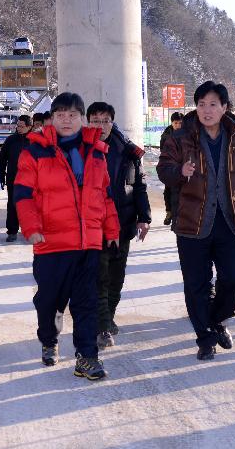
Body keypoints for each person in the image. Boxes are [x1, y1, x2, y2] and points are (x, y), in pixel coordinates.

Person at [14, 92, 119, 380]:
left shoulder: (96, 151)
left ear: (82, 118)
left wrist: (111, 230)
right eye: (60, 114)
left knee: (86, 302)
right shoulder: (35, 150)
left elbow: (105, 195)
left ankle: (86, 358)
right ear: (52, 118)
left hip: (88, 243)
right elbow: (23, 194)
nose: (66, 120)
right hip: (51, 243)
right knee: (48, 301)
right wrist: (32, 228)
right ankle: (49, 339)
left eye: (72, 114)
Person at [157, 81, 235, 360]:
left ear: (225, 108)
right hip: (191, 225)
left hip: (229, 223)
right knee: (196, 284)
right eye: (202, 104)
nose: (207, 110)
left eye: (213, 104)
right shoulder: (180, 138)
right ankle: (205, 337)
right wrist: (180, 170)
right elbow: (163, 170)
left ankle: (217, 320)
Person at [87, 102, 151, 349]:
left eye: (105, 120)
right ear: (88, 121)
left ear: (112, 122)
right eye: (95, 119)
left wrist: (144, 217)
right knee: (99, 278)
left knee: (117, 278)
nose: (100, 125)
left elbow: (140, 187)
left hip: (123, 223)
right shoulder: (80, 148)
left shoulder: (128, 151)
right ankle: (102, 327)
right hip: (94, 226)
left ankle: (108, 317)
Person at [0, 114, 32, 242]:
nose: (18, 128)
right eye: (17, 125)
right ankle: (12, 231)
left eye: (22, 126)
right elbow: (2, 160)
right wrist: (1, 176)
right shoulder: (10, 140)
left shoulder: (34, 140)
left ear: (29, 127)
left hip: (30, 180)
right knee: (12, 205)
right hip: (13, 178)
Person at [159, 111, 184, 226]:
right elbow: (163, 152)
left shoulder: (188, 133)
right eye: (176, 123)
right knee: (168, 191)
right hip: (171, 167)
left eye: (180, 123)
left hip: (184, 167)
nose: (178, 125)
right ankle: (169, 213)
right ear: (172, 123)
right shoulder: (166, 135)